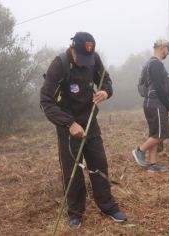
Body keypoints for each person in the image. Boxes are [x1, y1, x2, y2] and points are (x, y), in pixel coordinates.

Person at [40, 32, 126, 229]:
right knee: (73, 170)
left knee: (99, 163)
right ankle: (75, 213)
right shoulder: (59, 65)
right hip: (68, 126)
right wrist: (69, 124)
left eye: (89, 58)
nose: (86, 62)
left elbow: (106, 80)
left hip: (90, 122)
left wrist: (106, 91)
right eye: (81, 57)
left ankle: (108, 207)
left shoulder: (93, 58)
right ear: (72, 49)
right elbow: (46, 101)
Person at [132, 39, 169, 173]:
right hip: (157, 103)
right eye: (168, 49)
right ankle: (139, 150)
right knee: (161, 134)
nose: (168, 53)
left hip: (150, 102)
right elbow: (160, 87)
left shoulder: (148, 63)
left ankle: (153, 164)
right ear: (162, 47)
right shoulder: (156, 64)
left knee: (155, 134)